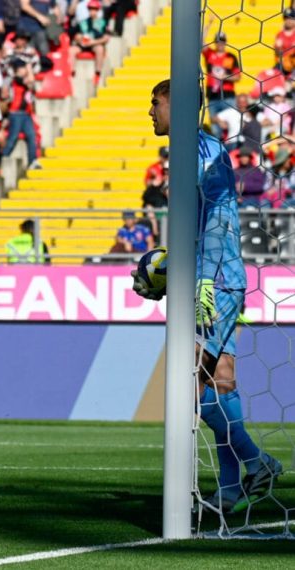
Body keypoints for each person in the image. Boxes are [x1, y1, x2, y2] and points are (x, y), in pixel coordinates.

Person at [134, 79, 283, 514]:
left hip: (211, 281)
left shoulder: (201, 151)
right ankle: (234, 487)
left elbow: (217, 215)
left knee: (187, 382)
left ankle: (256, 460)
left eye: (155, 103)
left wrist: (197, 280)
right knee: (221, 380)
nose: (151, 112)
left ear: (177, 105)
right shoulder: (195, 150)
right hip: (219, 276)